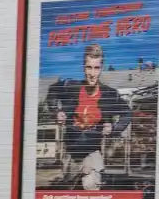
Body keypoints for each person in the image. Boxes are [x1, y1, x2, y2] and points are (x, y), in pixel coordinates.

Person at [44, 43, 133, 190]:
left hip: (93, 150)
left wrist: (114, 128)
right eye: (88, 67)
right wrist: (56, 111)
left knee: (91, 183)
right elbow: (52, 90)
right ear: (83, 68)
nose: (92, 73)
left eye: (96, 68)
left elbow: (127, 112)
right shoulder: (70, 87)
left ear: (101, 68)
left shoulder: (109, 95)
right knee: (69, 188)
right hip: (71, 150)